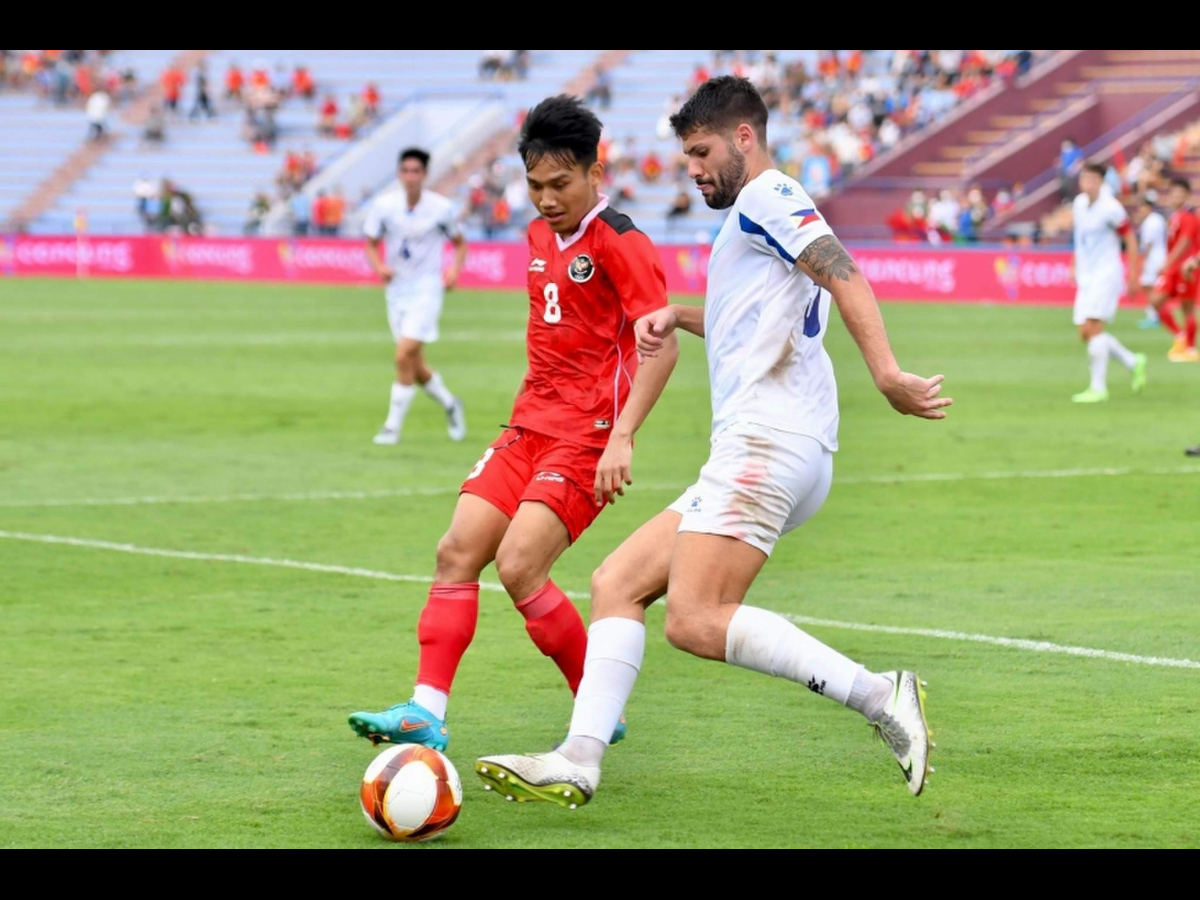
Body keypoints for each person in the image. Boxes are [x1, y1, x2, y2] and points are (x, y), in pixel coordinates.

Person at [475, 76, 949, 807]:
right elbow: (761, 311)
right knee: (617, 584)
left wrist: (886, 374)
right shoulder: (749, 221)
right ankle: (579, 757)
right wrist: (682, 318)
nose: (692, 168)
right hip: (767, 442)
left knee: (694, 619)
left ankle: (881, 696)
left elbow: (843, 271)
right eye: (686, 154)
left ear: (745, 138)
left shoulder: (768, 195)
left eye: (701, 152)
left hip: (769, 438)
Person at [348, 96, 678, 753]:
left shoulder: (620, 241)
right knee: (456, 552)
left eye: (561, 184)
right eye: (534, 186)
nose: (547, 200)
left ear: (595, 172)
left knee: (521, 564)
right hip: (529, 427)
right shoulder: (535, 235)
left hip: (587, 436)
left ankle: (595, 704)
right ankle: (424, 710)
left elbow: (661, 344)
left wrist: (622, 436)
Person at [362, 149, 469, 445]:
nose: (410, 176)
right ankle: (450, 404)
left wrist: (453, 271)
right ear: (399, 174)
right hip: (397, 291)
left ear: (424, 175)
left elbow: (460, 244)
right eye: (405, 171)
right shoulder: (384, 207)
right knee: (415, 365)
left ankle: (391, 428)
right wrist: (379, 266)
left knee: (402, 354)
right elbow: (370, 243)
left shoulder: (441, 208)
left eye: (416, 171)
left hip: (426, 289)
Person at [1069, 163, 1144, 403]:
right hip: (1086, 275)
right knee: (1085, 332)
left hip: (1106, 273)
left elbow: (1130, 238)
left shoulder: (1111, 208)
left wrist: (1133, 274)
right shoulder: (1079, 204)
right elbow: (1081, 237)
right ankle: (1133, 361)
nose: (1088, 183)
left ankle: (1098, 388)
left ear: (1101, 181)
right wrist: (1074, 262)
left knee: (1094, 328)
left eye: (1092, 179)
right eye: (1084, 178)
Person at [1147, 177, 1199, 362]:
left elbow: (1185, 242)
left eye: (1180, 194)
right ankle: (1180, 336)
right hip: (1174, 268)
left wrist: (1168, 263)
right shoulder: (1174, 217)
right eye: (1173, 193)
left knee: (1188, 309)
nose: (1176, 197)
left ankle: (1191, 350)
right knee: (1155, 300)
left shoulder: (1189, 217)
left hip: (1186, 268)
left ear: (1186, 196)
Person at [1134, 194, 1168, 329]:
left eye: (1142, 208)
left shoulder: (1151, 222)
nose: (1140, 211)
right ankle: (1155, 314)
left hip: (1154, 259)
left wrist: (1143, 261)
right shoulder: (1157, 220)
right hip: (1159, 257)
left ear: (1148, 207)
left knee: (1149, 286)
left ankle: (1155, 316)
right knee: (1150, 286)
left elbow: (1148, 244)